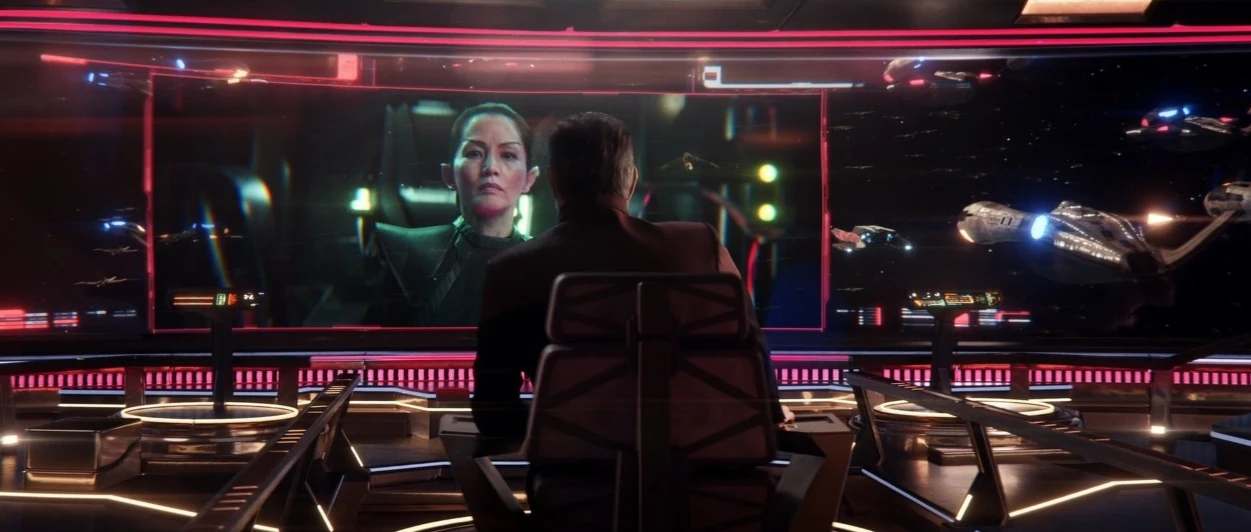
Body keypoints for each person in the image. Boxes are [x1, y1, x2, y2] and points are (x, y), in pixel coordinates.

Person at [471, 111, 788, 441]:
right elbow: (757, 377)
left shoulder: (509, 270)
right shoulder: (701, 245)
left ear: (553, 181)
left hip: (570, 470)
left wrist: (561, 430)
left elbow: (494, 415)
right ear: (632, 180)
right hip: (700, 467)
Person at [367, 103, 539, 326]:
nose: (490, 167)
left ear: (529, 179)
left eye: (508, 155)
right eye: (474, 153)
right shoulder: (406, 255)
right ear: (449, 175)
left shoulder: (546, 263)